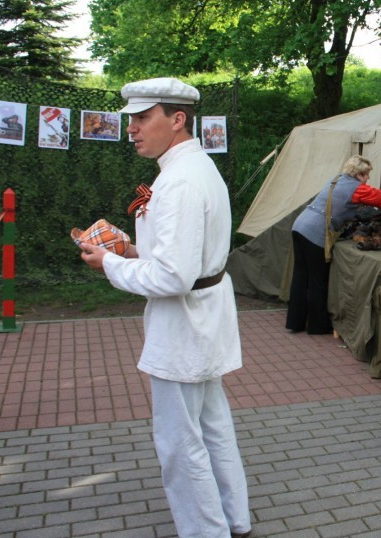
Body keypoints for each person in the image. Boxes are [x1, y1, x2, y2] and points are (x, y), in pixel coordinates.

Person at [79, 77, 251, 538]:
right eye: (132, 119)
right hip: (204, 314)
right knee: (213, 426)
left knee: (179, 441)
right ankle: (234, 519)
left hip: (185, 323)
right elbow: (184, 256)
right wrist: (135, 251)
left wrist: (111, 262)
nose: (132, 129)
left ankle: (206, 531)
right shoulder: (196, 167)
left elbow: (173, 277)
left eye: (142, 118)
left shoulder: (179, 180)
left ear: (177, 120)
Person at [287, 155, 381, 334]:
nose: (367, 178)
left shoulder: (339, 179)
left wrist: (380, 192)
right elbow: (379, 201)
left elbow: (366, 193)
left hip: (300, 226)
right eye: (366, 175)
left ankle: (295, 322)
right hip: (315, 233)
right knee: (317, 280)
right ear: (358, 174)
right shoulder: (357, 188)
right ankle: (317, 326)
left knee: (300, 276)